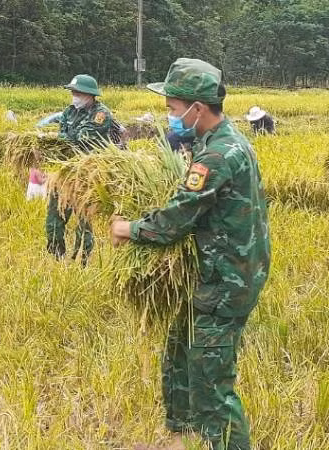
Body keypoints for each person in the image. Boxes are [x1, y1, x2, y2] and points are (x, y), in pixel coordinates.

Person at [110, 58, 271, 450]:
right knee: (180, 352)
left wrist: (129, 229)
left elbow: (177, 218)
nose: (171, 116)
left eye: (173, 108)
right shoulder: (223, 141)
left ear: (197, 109)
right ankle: (180, 434)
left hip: (225, 281)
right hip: (212, 274)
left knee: (212, 387)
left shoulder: (216, 155)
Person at [46, 74, 113, 266]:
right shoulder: (69, 112)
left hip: (88, 173)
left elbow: (83, 136)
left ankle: (83, 259)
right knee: (54, 215)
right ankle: (56, 257)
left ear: (89, 95)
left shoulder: (101, 114)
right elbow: (62, 137)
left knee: (84, 219)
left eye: (77, 92)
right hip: (66, 170)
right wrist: (67, 139)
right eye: (73, 92)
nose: (74, 96)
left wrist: (68, 138)